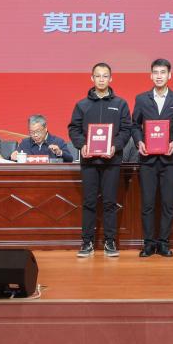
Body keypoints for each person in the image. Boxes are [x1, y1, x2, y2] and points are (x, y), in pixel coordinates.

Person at [68, 62, 133, 258]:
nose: (102, 79)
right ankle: (87, 242)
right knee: (89, 202)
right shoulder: (82, 105)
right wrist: (82, 145)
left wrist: (115, 146)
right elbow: (74, 129)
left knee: (110, 202)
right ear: (92, 78)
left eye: (105, 76)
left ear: (111, 78)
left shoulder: (120, 104)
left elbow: (126, 130)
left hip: (111, 161)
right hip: (89, 161)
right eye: (98, 76)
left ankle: (110, 241)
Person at [131, 58, 173, 257]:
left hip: (169, 160)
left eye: (163, 72)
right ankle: (149, 244)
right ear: (151, 75)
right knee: (147, 203)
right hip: (147, 159)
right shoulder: (141, 99)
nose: (159, 76)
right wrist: (139, 141)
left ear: (169, 75)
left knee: (168, 203)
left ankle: (164, 243)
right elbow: (134, 125)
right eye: (156, 72)